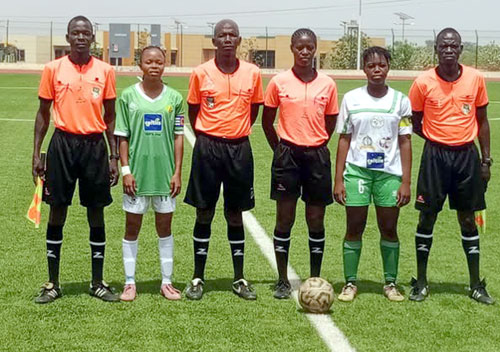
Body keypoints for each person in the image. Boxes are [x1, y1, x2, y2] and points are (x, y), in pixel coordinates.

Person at [32, 15, 119, 303]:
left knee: (96, 211)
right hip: (62, 145)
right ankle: (53, 283)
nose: (81, 37)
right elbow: (43, 114)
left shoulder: (105, 71)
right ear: (68, 37)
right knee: (57, 210)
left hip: (95, 147)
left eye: (86, 33)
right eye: (75, 33)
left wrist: (113, 156)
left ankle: (97, 282)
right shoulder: (52, 69)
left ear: (92, 37)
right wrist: (36, 153)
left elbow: (110, 117)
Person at [408, 28, 494, 304]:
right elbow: (414, 120)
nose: (448, 50)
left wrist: (486, 160)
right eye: (443, 46)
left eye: (453, 46)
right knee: (427, 217)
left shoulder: (475, 78)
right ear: (436, 48)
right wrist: (437, 138)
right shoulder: (423, 82)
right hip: (435, 157)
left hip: (467, 157)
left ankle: (476, 285)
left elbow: (482, 121)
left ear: (460, 49)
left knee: (468, 219)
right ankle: (421, 282)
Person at [183, 19, 264, 300]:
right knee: (204, 211)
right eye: (222, 35)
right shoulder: (200, 73)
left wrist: (235, 132)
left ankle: (239, 278)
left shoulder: (253, 73)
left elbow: (254, 110)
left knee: (235, 212)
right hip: (208, 147)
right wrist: (209, 136)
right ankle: (197, 277)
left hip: (239, 149)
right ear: (214, 41)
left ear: (239, 41)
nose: (227, 39)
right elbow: (193, 111)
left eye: (232, 35)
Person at [262, 28, 339, 299]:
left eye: (309, 47)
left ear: (315, 48)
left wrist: (317, 142)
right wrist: (280, 150)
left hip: (317, 156)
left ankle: (315, 277)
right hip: (287, 156)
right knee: (285, 218)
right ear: (292, 49)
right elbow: (267, 121)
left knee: (315, 219)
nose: (305, 52)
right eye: (300, 47)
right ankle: (283, 280)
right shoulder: (278, 82)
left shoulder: (328, 84)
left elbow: (331, 121)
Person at [333, 46, 412, 302]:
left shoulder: (401, 101)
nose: (377, 69)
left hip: (388, 174)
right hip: (358, 172)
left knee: (388, 227)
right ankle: (350, 283)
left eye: (382, 65)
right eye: (371, 65)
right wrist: (338, 179)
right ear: (364, 69)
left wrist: (406, 181)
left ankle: (390, 283)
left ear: (388, 67)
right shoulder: (351, 99)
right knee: (354, 226)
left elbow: (405, 141)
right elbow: (344, 139)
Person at [114, 46, 184, 302]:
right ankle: (129, 282)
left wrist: (177, 172)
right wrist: (126, 171)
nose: (154, 66)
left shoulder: (175, 98)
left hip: (164, 177)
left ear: (165, 65)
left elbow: (178, 137)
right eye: (149, 62)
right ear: (140, 65)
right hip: (137, 177)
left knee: (164, 228)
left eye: (159, 62)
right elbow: (122, 137)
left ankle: (166, 282)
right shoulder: (128, 96)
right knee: (132, 228)